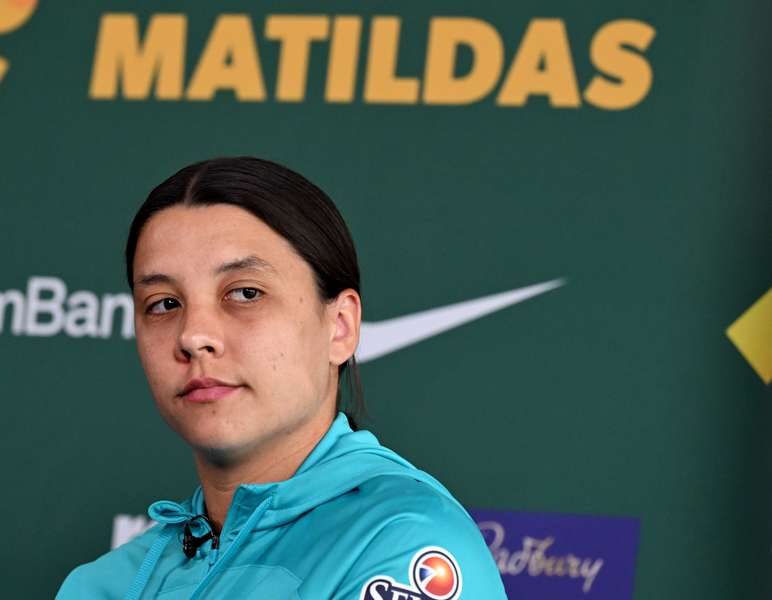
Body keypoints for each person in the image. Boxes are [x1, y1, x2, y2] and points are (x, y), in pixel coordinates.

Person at [55, 156, 506, 600]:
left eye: (245, 293)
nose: (193, 336)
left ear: (341, 326)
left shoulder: (403, 542)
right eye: (163, 303)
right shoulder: (103, 585)